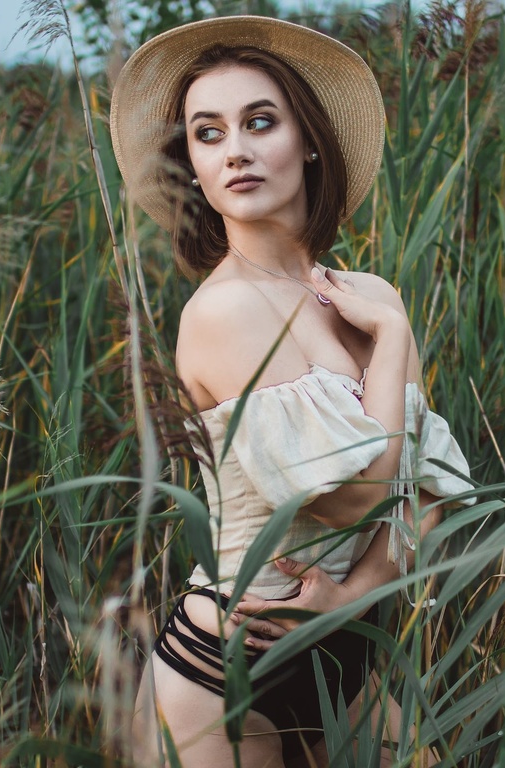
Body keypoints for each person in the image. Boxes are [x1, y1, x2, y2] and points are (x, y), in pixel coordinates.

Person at [109, 16, 475, 767]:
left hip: (343, 657)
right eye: (207, 134)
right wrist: (396, 340)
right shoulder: (224, 313)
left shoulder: (362, 293)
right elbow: (360, 501)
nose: (235, 149)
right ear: (193, 168)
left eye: (260, 122)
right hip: (228, 670)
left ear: (308, 139)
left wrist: (354, 594)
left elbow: (435, 491)